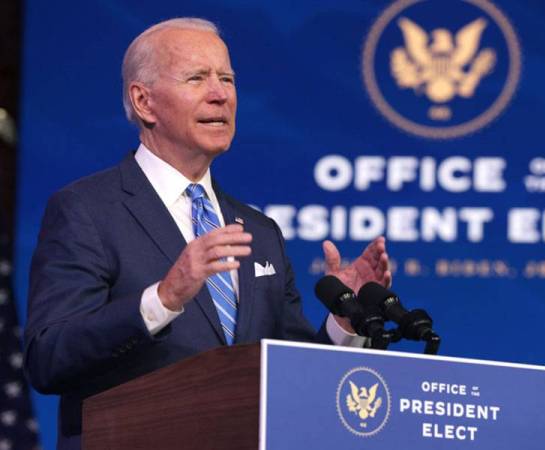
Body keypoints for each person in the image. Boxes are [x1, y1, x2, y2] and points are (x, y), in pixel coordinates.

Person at [23, 17, 391, 450]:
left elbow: (290, 374)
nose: (220, 94)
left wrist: (344, 324)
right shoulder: (86, 209)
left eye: (227, 79)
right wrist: (162, 299)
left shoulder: (259, 232)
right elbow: (48, 359)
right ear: (144, 102)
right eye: (197, 78)